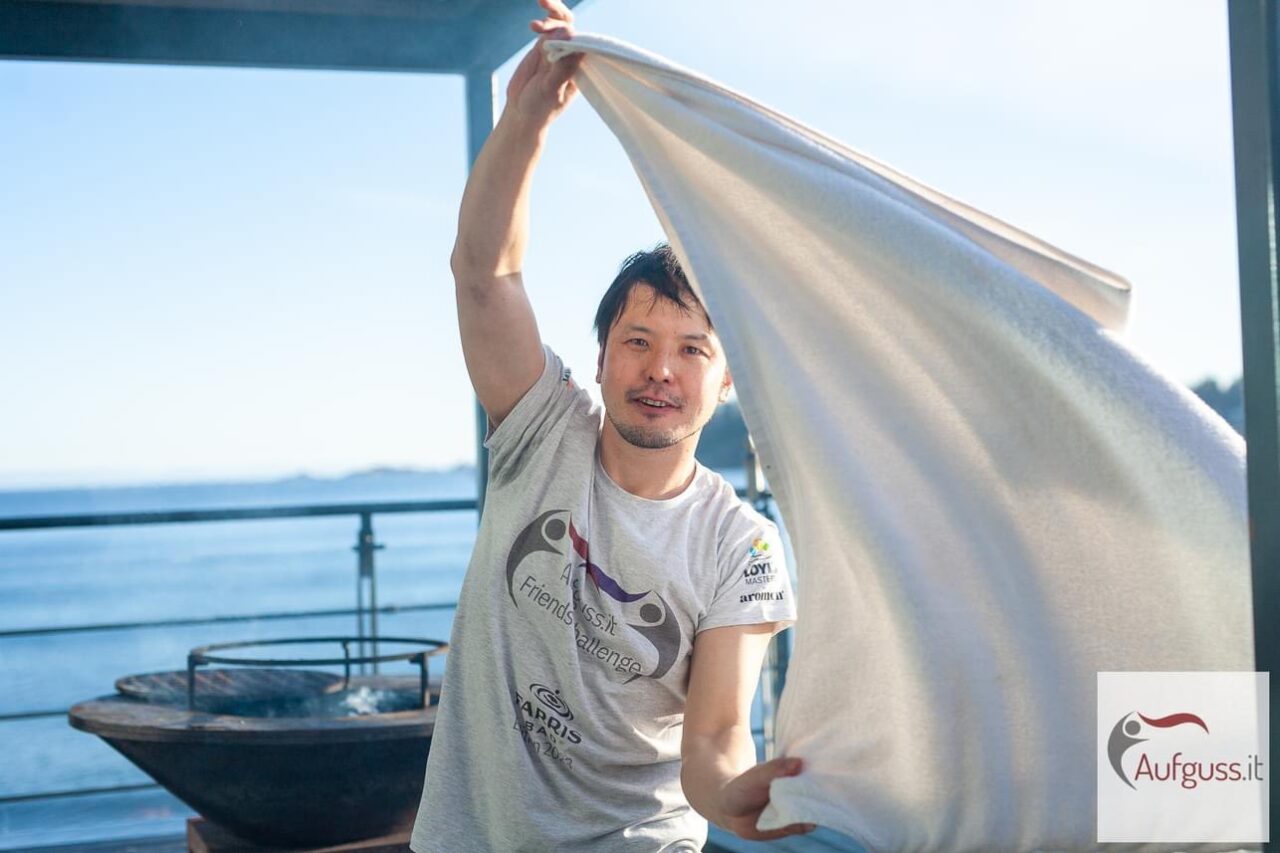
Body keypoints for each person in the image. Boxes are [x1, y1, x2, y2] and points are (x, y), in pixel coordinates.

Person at [409, 2, 811, 849]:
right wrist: (528, 121)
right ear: (599, 359)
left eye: (691, 349)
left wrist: (734, 792)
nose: (660, 369)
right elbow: (483, 273)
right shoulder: (541, 429)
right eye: (637, 341)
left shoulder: (744, 545)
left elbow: (713, 736)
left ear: (727, 380)